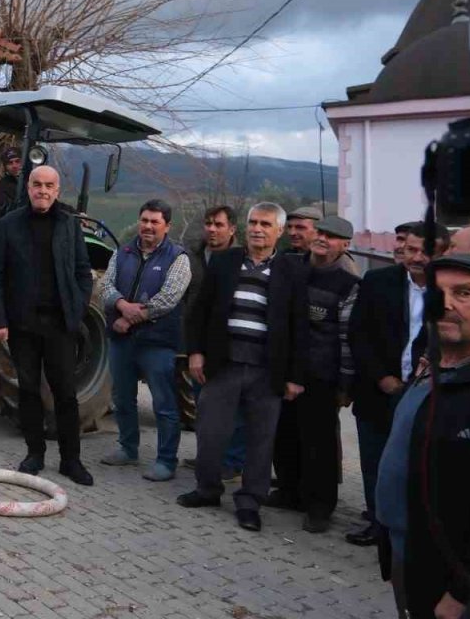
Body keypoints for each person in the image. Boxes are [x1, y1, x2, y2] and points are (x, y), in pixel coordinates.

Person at [375, 253, 470, 619]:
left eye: (465, 293)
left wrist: (463, 592)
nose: (447, 304)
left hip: (454, 581)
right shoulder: (436, 365)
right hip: (407, 551)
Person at [178, 202, 301, 532]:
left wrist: (294, 377)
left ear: (279, 231)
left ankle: (249, 501)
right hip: (223, 365)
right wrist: (196, 353)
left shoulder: (292, 271)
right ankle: (207, 489)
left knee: (261, 441)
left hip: (266, 371)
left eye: (265, 224)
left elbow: (299, 326)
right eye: (253, 222)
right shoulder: (225, 261)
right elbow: (199, 312)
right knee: (210, 432)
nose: (258, 229)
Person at [0, 164, 95, 486]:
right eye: (37, 184)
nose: (43, 191)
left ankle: (70, 460)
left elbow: (82, 270)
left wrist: (76, 310)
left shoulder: (69, 225)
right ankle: (34, 453)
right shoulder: (9, 225)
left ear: (57, 191)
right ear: (28, 187)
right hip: (23, 324)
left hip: (60, 324)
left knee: (65, 393)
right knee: (29, 390)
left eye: (49, 186)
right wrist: (0, 320)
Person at [346, 221, 450, 547]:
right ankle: (379, 525)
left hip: (427, 394)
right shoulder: (377, 281)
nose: (417, 257)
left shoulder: (453, 290)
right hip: (379, 389)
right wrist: (382, 378)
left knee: (418, 465)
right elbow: (358, 334)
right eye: (411, 249)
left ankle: (415, 529)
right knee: (374, 463)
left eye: (426, 251)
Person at [269, 216, 360, 533]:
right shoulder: (291, 268)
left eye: (332, 236)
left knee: (318, 444)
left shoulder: (348, 284)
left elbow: (348, 338)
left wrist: (346, 384)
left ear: (345, 245)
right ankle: (289, 492)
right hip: (285, 369)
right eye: (320, 232)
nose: (323, 239)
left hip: (322, 377)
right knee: (285, 435)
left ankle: (319, 507)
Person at [98, 199, 191, 481]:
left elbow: (168, 299)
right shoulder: (123, 251)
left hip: (157, 342)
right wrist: (122, 305)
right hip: (121, 340)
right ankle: (128, 448)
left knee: (163, 403)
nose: (148, 226)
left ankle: (166, 460)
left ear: (167, 226)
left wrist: (127, 317)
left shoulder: (178, 257)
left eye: (155, 222)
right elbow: (105, 285)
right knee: (122, 397)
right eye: (144, 220)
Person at [181, 206, 247, 480]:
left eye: (218, 225)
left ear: (232, 229)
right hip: (199, 342)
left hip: (231, 345)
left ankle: (233, 462)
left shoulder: (244, 259)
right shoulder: (194, 256)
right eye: (208, 224)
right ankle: (207, 457)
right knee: (203, 405)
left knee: (236, 409)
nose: (212, 229)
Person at [0, 146, 24, 214]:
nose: (14, 166)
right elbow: (7, 213)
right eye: (10, 163)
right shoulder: (0, 189)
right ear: (5, 167)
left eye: (17, 161)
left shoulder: (34, 181)